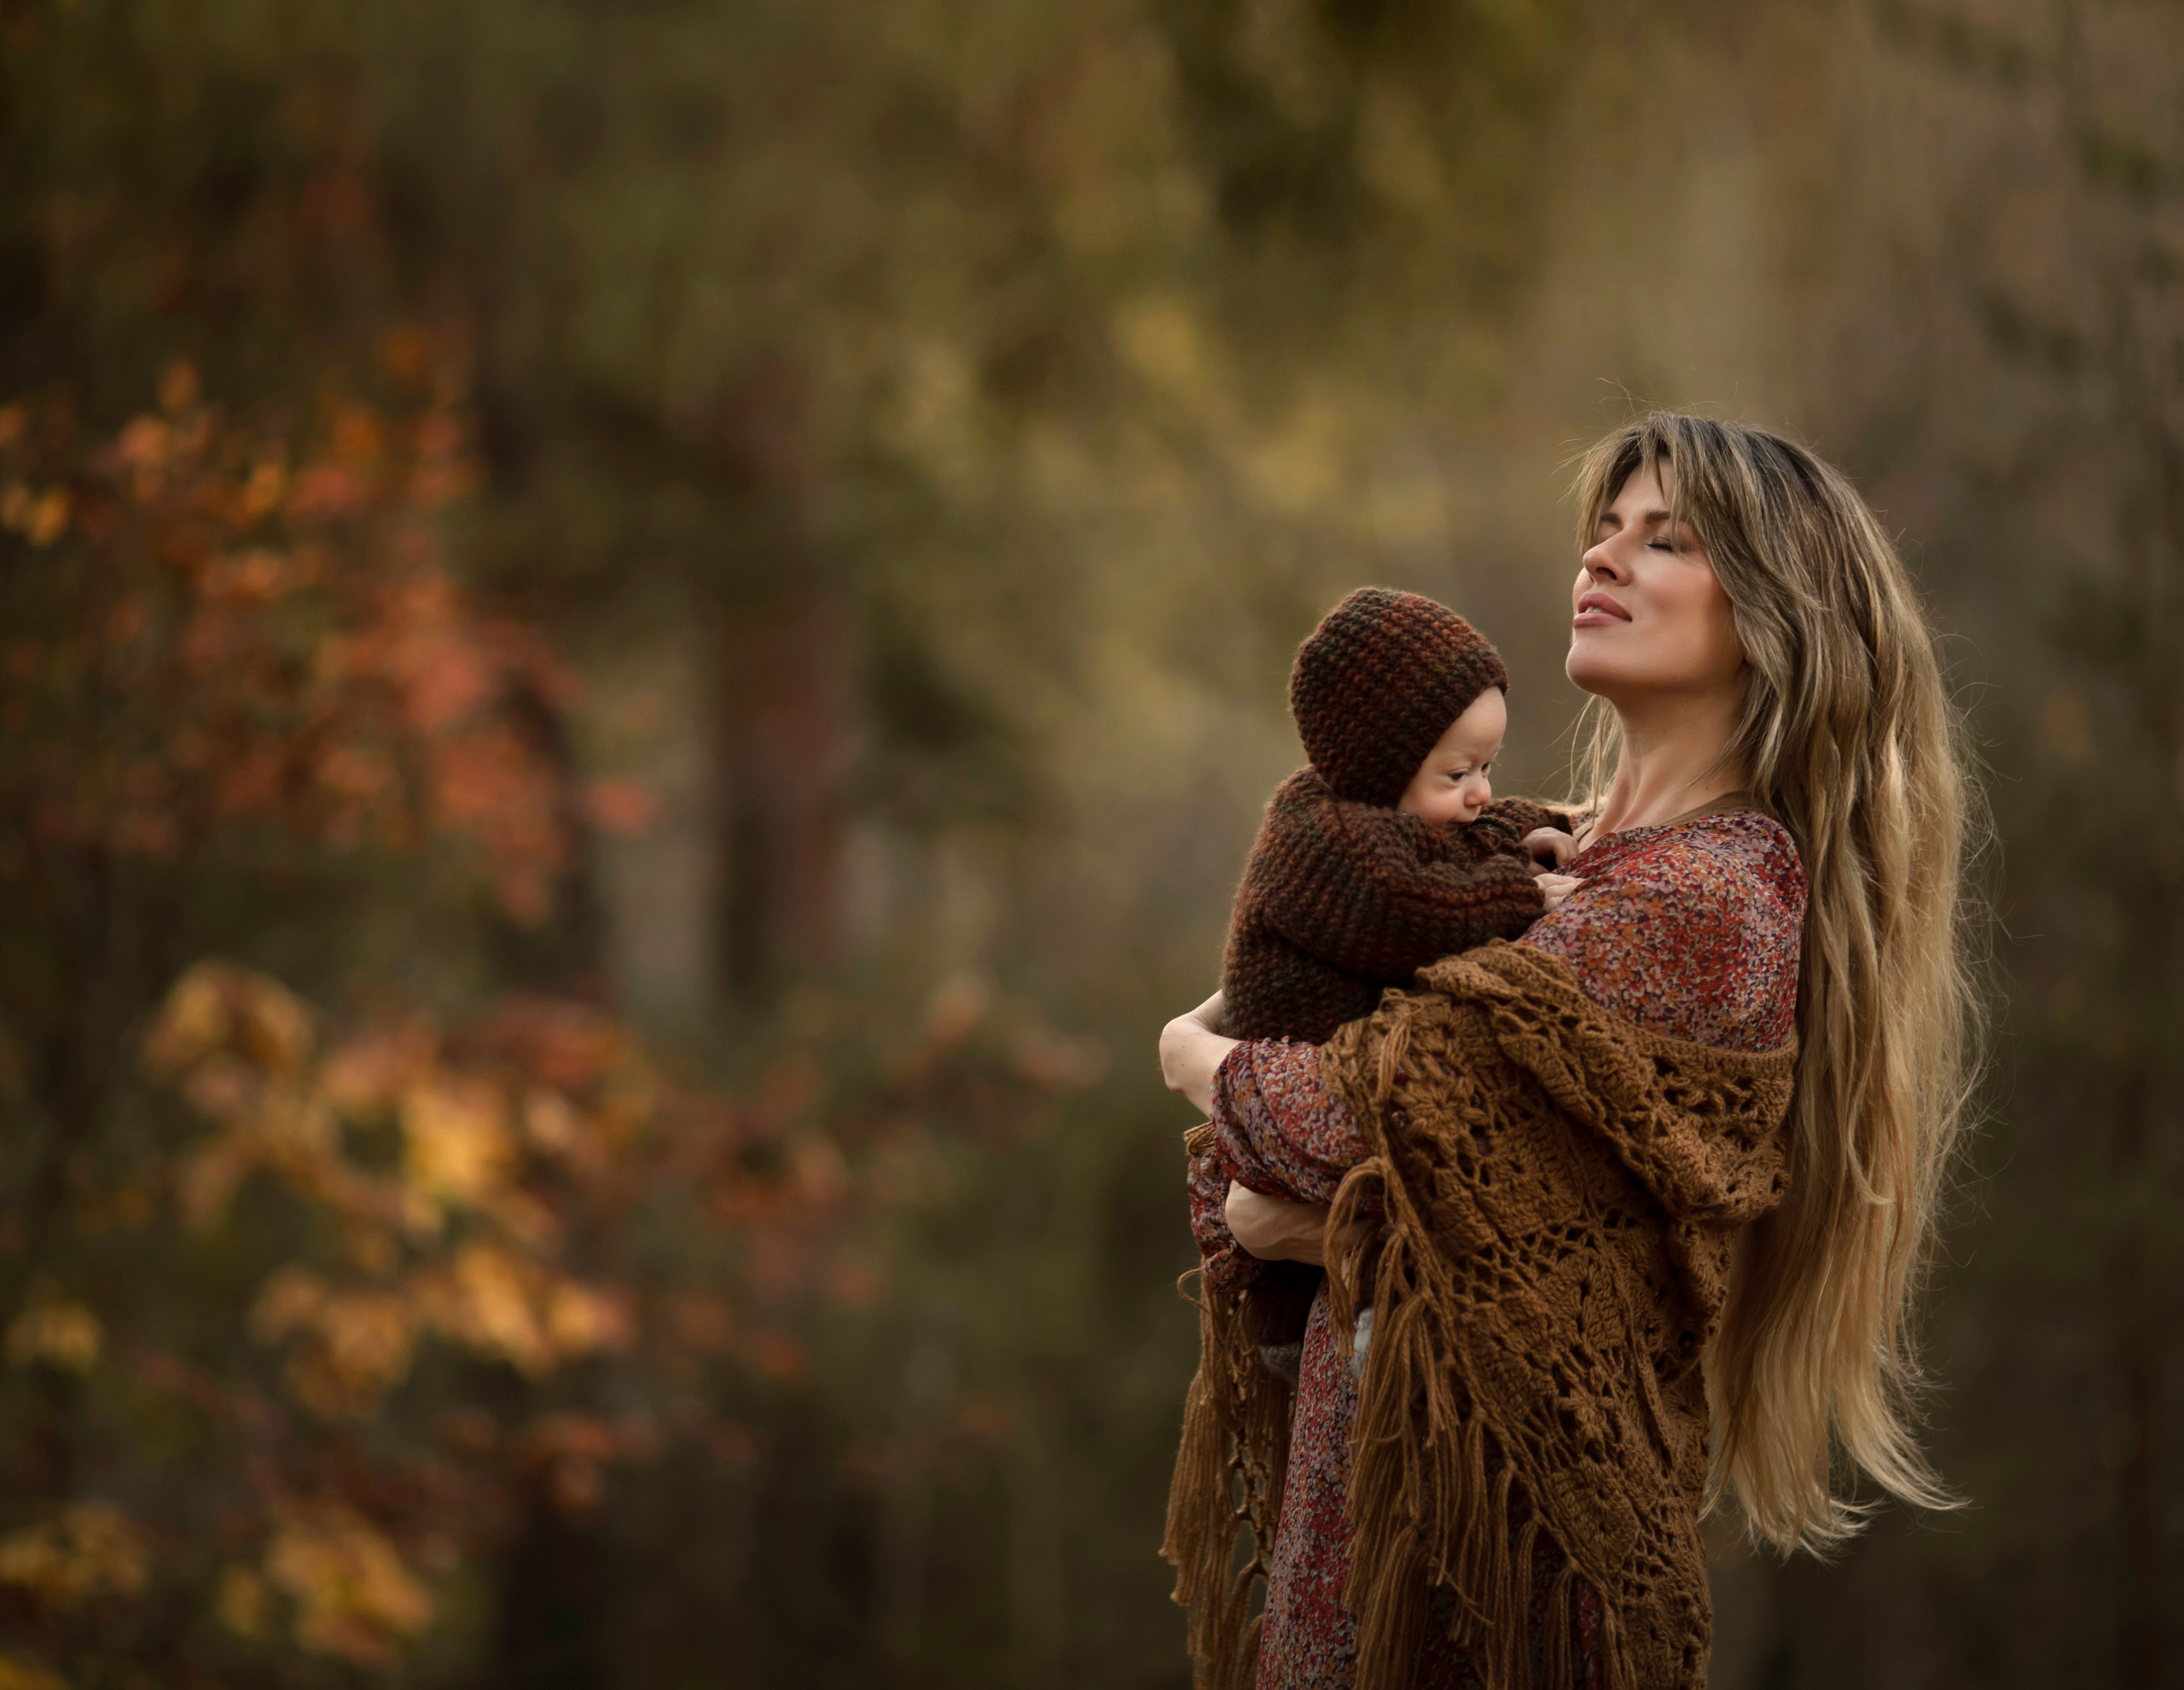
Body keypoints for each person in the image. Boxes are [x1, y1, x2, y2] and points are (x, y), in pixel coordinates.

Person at [1159, 413, 1982, 1690]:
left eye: (1668, 540)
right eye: (1603, 529)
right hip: (1377, 1531)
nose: (1602, 558)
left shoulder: (1710, 898)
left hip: (1509, 1584)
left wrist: (1191, 1061)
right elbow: (1310, 1181)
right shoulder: (1543, 867)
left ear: (1774, 616)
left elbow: (1338, 1131)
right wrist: (1326, 1204)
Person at [1219, 584, 1577, 1383]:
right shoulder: (1319, 843)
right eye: (1459, 770)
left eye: (1487, 764)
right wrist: (1522, 891)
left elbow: (1480, 826)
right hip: (1316, 1257)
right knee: (1399, 1409)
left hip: (1355, 1199)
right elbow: (1411, 908)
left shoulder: (1405, 816)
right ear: (1378, 764)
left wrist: (1547, 824)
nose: (1479, 788)